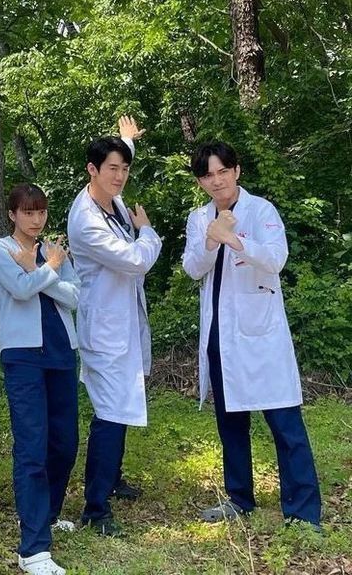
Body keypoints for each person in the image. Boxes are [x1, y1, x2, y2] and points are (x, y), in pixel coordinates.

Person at [182, 141, 321, 529]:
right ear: (200, 181)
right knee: (230, 423)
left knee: (284, 421)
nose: (217, 181)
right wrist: (211, 239)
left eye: (222, 171)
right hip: (219, 336)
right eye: (207, 175)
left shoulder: (261, 210)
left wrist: (234, 238)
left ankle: (304, 510)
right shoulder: (199, 218)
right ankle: (239, 497)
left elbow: (276, 258)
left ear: (236, 171)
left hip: (261, 334)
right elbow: (193, 268)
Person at [67, 129, 162, 536]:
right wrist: (148, 231)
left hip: (123, 321)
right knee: (109, 413)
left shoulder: (111, 200)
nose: (120, 176)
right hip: (104, 330)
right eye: (111, 169)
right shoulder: (86, 220)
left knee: (120, 406)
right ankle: (95, 507)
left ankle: (113, 478)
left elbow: (117, 161)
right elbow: (136, 260)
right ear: (92, 170)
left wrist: (126, 143)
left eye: (124, 168)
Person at [0, 184, 79, 575]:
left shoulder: (52, 251)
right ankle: (34, 548)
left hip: (61, 353)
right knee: (32, 446)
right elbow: (22, 291)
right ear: (13, 214)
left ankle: (50, 512)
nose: (35, 219)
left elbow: (75, 298)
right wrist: (47, 270)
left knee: (65, 442)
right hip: (23, 357)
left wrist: (44, 269)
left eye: (40, 212)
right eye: (27, 212)